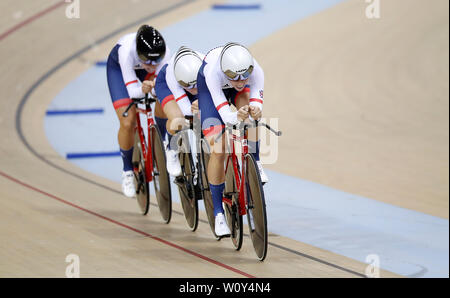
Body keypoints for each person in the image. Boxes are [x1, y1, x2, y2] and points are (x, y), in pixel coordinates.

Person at [197, 42, 267, 237]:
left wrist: (253, 109)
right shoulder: (212, 72)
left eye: (244, 76)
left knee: (251, 119)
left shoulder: (256, 71)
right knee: (218, 148)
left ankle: (256, 161)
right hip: (210, 93)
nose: (239, 81)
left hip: (231, 89)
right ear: (224, 71)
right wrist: (237, 116)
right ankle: (218, 212)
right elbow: (226, 116)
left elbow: (256, 103)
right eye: (234, 77)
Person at [106, 24, 170, 197]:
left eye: (155, 61)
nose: (151, 65)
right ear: (138, 54)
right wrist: (143, 89)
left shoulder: (165, 55)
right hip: (120, 72)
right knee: (128, 122)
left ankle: (162, 142)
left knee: (166, 102)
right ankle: (127, 170)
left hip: (145, 78)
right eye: (147, 60)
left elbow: (163, 88)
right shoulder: (126, 51)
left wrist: (155, 88)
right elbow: (134, 92)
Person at [154, 46, 205, 177]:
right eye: (190, 86)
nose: (193, 89)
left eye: (195, 85)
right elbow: (185, 109)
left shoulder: (206, 66)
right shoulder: (172, 74)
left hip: (195, 80)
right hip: (167, 86)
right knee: (178, 119)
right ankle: (171, 150)